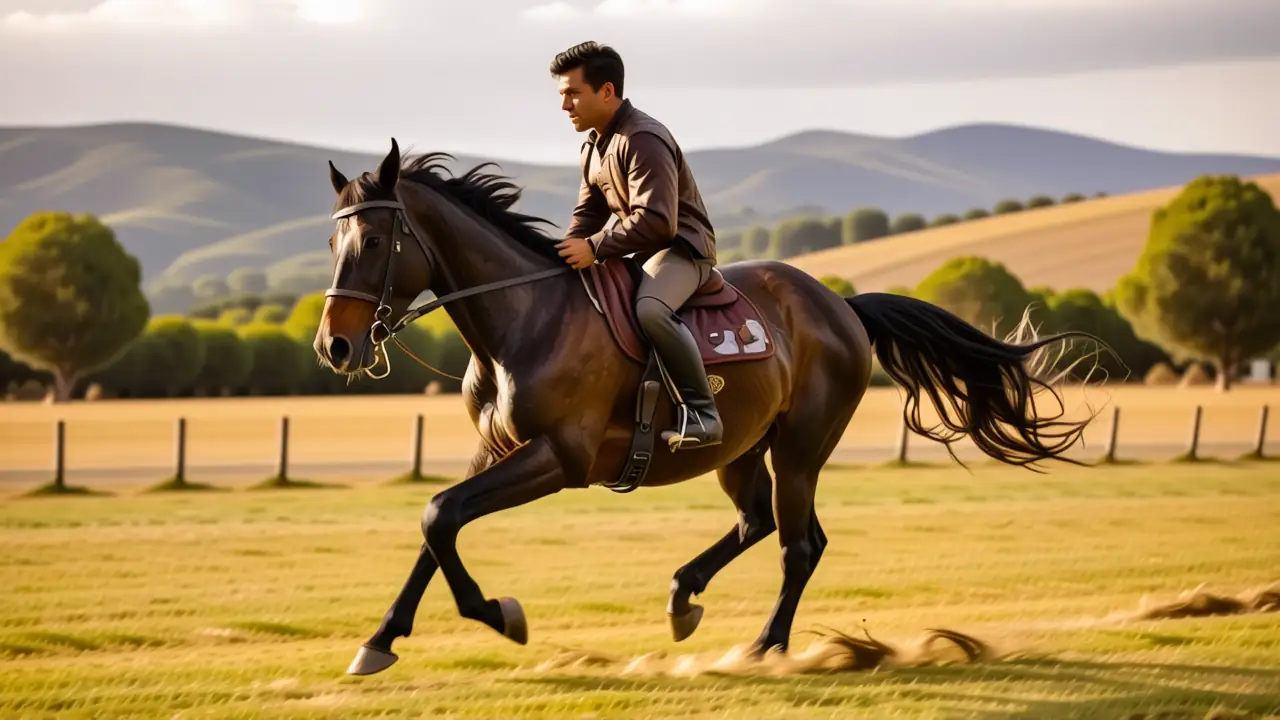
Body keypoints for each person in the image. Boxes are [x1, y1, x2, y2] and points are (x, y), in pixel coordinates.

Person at [551, 41, 723, 451]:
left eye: (573, 94)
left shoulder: (642, 138)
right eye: (562, 96)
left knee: (651, 308)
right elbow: (588, 214)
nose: (565, 106)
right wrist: (565, 250)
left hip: (682, 249)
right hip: (640, 251)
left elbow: (659, 222)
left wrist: (594, 247)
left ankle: (703, 413)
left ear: (606, 91)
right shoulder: (594, 146)